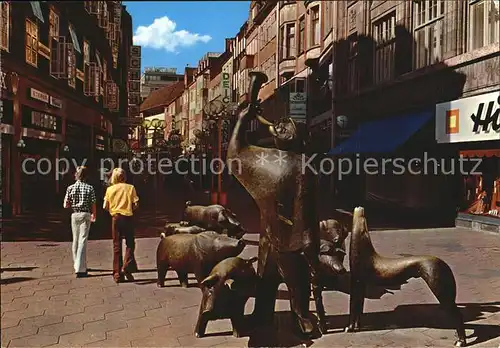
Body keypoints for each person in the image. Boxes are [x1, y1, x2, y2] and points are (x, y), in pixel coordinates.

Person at [103, 168, 139, 283]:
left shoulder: (110, 189)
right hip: (128, 217)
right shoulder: (130, 188)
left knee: (116, 245)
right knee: (130, 243)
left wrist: (112, 210)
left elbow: (105, 206)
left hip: (116, 218)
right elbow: (136, 203)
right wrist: (130, 209)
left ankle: (117, 273)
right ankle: (127, 265)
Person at [63, 166, 96, 278]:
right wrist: (94, 214)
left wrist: (72, 204)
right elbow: (93, 203)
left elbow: (66, 204)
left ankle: (76, 263)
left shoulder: (70, 188)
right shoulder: (89, 188)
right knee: (83, 240)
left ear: (76, 175)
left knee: (75, 240)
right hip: (85, 214)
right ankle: (80, 268)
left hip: (75, 214)